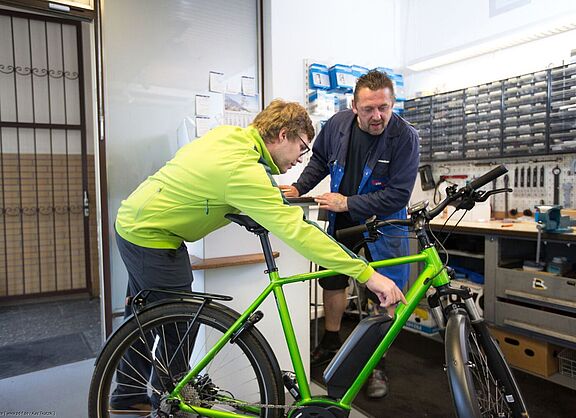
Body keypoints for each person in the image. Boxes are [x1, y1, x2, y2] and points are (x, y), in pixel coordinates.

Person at [111, 98, 407, 411]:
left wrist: (257, 196)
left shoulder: (231, 137)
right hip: (149, 234)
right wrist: (366, 273)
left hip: (140, 221)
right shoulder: (243, 170)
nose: (300, 159)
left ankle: (127, 396)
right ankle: (171, 402)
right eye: (302, 147)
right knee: (177, 326)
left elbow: (209, 176)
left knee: (144, 321)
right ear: (282, 136)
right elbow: (299, 231)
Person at [281, 70, 419, 398]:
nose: (377, 116)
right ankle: (331, 341)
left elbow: (399, 195)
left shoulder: (405, 137)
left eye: (384, 108)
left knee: (383, 292)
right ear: (354, 105)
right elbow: (320, 163)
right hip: (343, 221)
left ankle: (377, 362)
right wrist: (299, 186)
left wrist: (347, 202)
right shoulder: (337, 125)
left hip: (384, 225)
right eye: (369, 108)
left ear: (392, 103)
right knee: (333, 280)